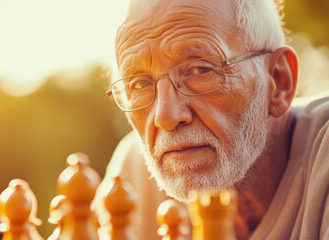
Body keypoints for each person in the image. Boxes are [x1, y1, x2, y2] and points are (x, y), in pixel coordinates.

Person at [92, 0, 329, 239]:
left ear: (278, 81)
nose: (165, 118)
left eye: (200, 70)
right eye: (140, 83)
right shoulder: (132, 176)